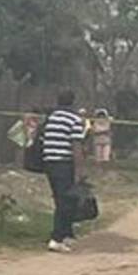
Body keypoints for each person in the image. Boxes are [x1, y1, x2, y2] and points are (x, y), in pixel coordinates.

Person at [42, 90, 86, 253]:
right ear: (73, 102)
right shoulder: (74, 120)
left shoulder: (52, 118)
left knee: (61, 198)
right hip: (64, 163)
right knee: (65, 201)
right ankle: (57, 238)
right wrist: (79, 170)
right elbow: (76, 146)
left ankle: (67, 233)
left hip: (49, 162)